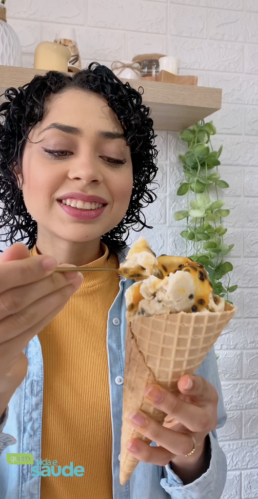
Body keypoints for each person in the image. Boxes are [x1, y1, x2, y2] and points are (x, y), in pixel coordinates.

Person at [0, 63, 227, 499]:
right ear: (17, 170)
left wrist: (191, 454)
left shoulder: (175, 299)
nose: (87, 171)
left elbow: (205, 486)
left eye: (113, 158)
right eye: (59, 150)